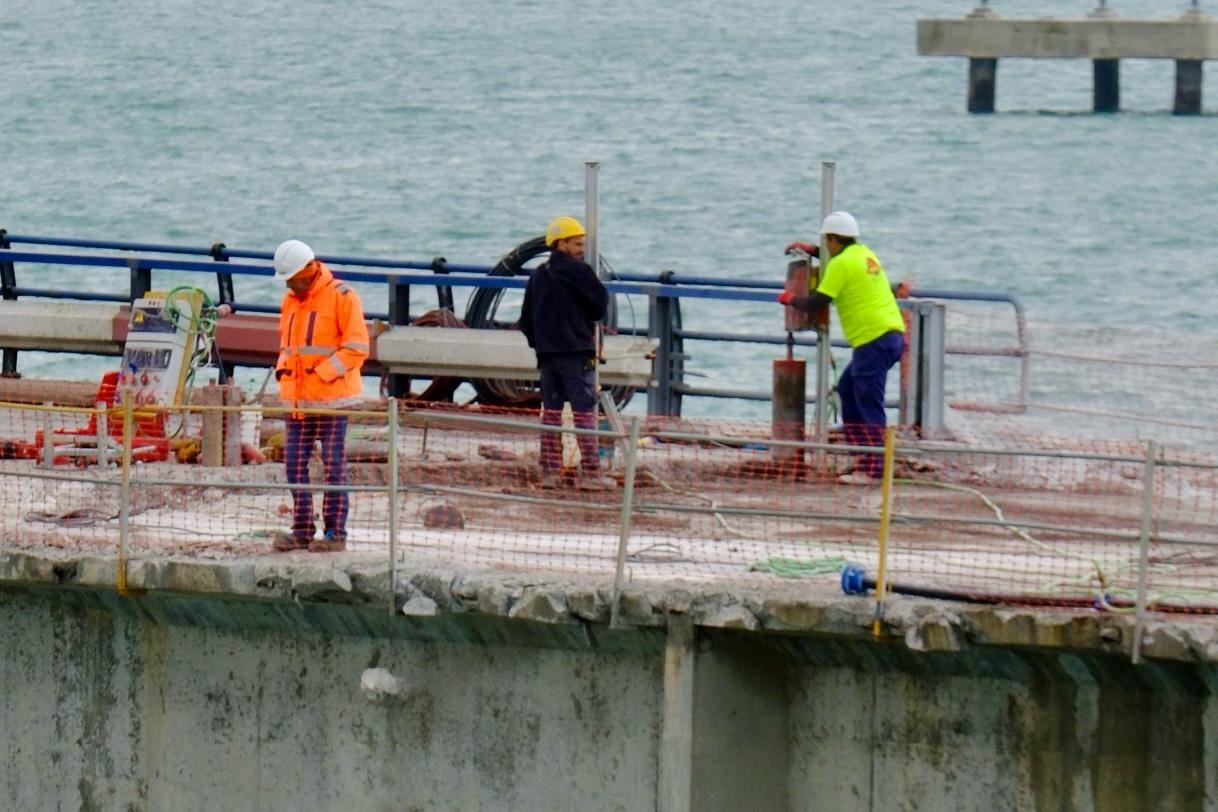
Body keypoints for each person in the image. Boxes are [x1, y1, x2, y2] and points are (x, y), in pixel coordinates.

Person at [779, 211, 907, 483]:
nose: (825, 247)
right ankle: (862, 456)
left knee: (868, 401)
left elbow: (817, 302)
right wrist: (810, 250)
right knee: (848, 391)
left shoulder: (840, 264)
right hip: (892, 336)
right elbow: (838, 262)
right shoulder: (864, 254)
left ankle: (875, 470)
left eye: (825, 242)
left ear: (834, 240)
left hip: (873, 340)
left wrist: (790, 299)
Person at [271, 239, 370, 551]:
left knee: (333, 465)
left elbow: (357, 347)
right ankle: (301, 530)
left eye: (292, 278)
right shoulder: (290, 301)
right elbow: (289, 349)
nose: (289, 284)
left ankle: (335, 534)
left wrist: (322, 375)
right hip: (299, 400)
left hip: (332, 400)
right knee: (295, 464)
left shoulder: (343, 296)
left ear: (309, 269)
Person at [519, 215, 616, 490]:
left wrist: (541, 344)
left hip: (547, 356)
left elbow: (525, 320)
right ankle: (592, 473)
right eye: (577, 244)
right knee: (585, 411)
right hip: (576, 354)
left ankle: (549, 471)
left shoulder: (538, 275)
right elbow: (599, 306)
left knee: (550, 412)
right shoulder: (580, 272)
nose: (581, 249)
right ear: (561, 243)